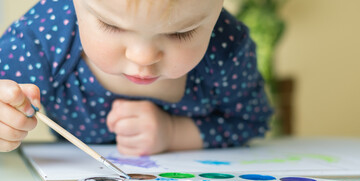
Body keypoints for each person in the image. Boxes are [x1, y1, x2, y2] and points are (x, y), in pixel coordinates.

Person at [0, 0, 272, 156]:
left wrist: (174, 133)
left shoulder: (227, 49)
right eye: (111, 25)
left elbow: (250, 121)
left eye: (180, 33)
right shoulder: (42, 36)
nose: (143, 57)